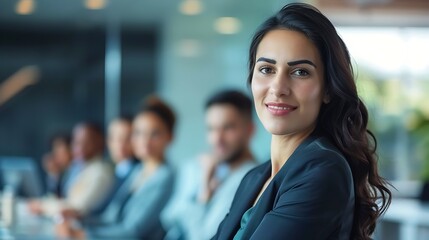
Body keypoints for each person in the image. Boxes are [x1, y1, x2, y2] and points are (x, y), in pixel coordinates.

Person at [212, 3, 391, 240]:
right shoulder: (254, 178)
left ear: (328, 89)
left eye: (300, 72)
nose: (278, 88)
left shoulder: (322, 171)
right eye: (266, 69)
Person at [57, 96, 176, 239]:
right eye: (138, 133)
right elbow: (112, 216)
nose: (145, 140)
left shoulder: (165, 177)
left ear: (169, 137)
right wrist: (81, 218)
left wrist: (84, 235)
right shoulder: (138, 171)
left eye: (154, 134)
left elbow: (133, 231)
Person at [162, 90, 257, 240]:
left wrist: (204, 189)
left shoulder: (249, 179)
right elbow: (168, 217)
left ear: (250, 130)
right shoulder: (203, 167)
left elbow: (203, 236)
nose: (217, 138)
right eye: (211, 129)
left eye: (228, 128)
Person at [29, 122, 115, 218]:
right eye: (77, 142)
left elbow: (75, 208)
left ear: (100, 143)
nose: (80, 147)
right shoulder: (82, 168)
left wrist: (43, 206)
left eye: (86, 142)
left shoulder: (100, 172)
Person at [90, 116, 138, 215]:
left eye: (127, 138)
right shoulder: (111, 169)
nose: (120, 144)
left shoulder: (138, 173)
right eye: (115, 138)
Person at [43, 133, 72, 198]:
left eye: (59, 147)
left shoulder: (76, 171)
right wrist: (53, 174)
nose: (55, 152)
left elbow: (61, 199)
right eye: (54, 148)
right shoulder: (63, 172)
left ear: (71, 149)